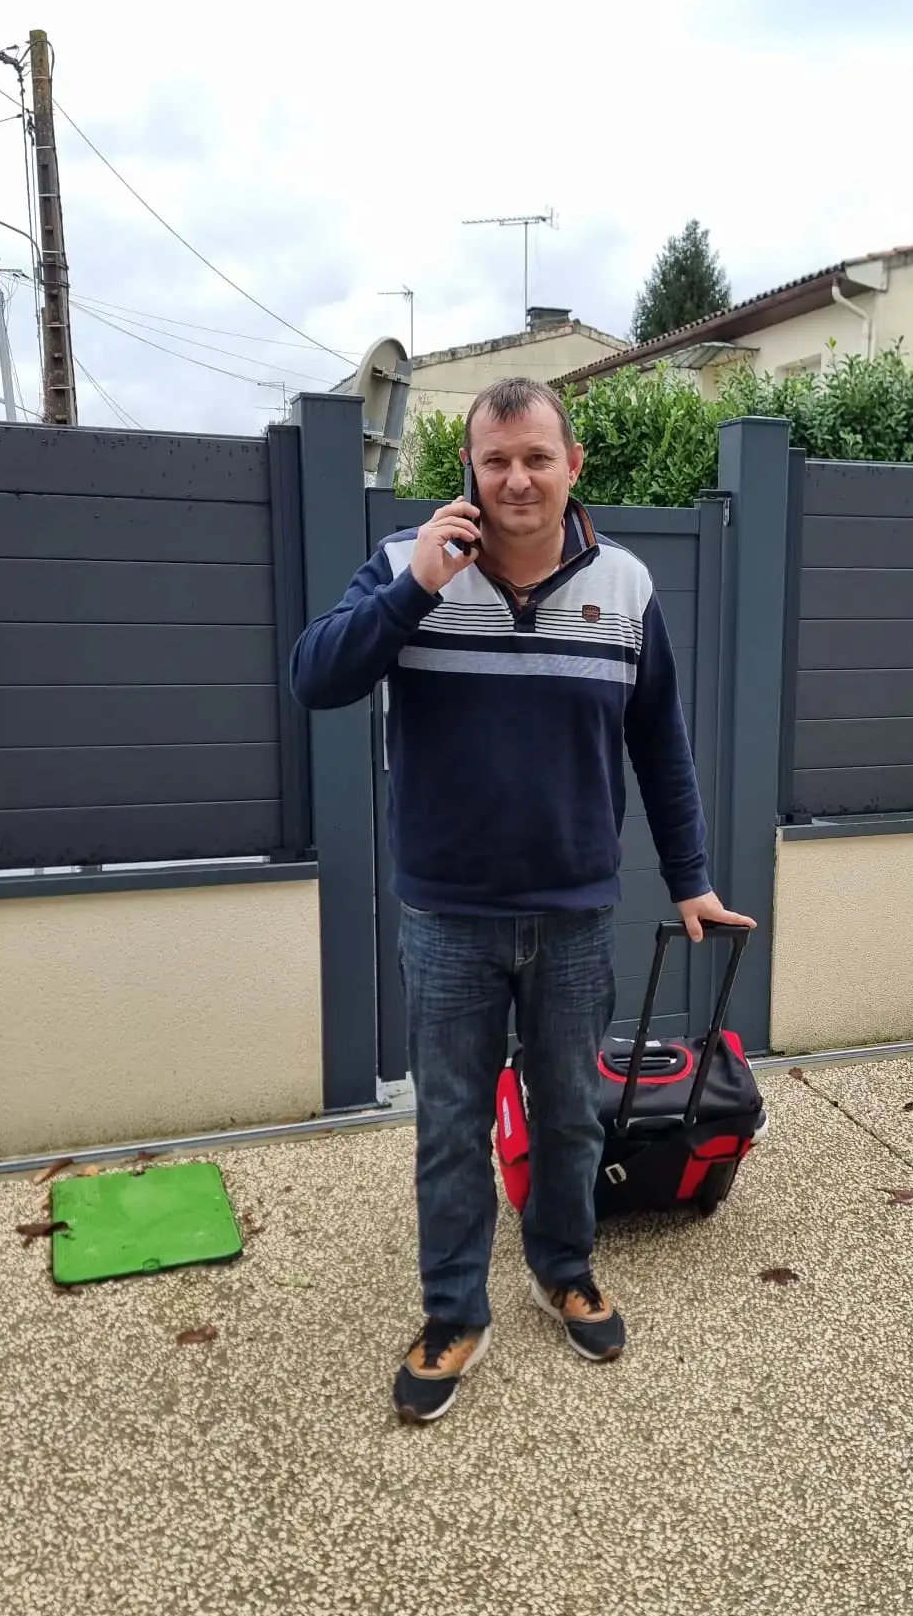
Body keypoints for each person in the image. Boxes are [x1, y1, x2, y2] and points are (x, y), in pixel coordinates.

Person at [290, 376, 752, 1423]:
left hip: (575, 914)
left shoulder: (625, 586)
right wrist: (414, 587)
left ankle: (564, 1265)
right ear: (469, 467)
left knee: (573, 1114)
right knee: (451, 1127)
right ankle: (455, 1312)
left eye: (537, 457)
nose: (516, 479)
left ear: (572, 464)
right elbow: (315, 678)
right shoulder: (407, 564)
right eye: (494, 460)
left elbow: (660, 743)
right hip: (447, 915)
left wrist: (691, 877)